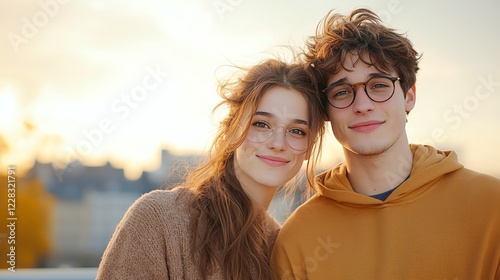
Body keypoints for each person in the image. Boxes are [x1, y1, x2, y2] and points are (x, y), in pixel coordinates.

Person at [271, 8, 500, 279]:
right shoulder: (297, 238)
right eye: (342, 92)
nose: (363, 105)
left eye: (379, 85)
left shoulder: (491, 205)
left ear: (409, 96)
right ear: (325, 111)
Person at [95, 58, 326, 279]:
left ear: (309, 147)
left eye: (297, 131)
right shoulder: (159, 220)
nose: (278, 143)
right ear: (232, 129)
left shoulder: (284, 250)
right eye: (261, 124)